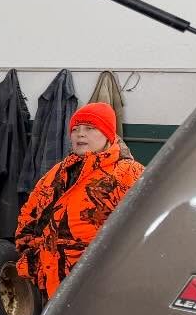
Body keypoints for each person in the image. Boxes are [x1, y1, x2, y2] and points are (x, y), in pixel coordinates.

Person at [14, 101, 143, 299]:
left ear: (108, 134)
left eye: (90, 128)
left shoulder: (129, 174)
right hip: (47, 285)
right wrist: (29, 255)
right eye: (75, 129)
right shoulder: (58, 172)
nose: (80, 134)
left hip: (98, 287)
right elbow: (29, 214)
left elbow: (141, 231)